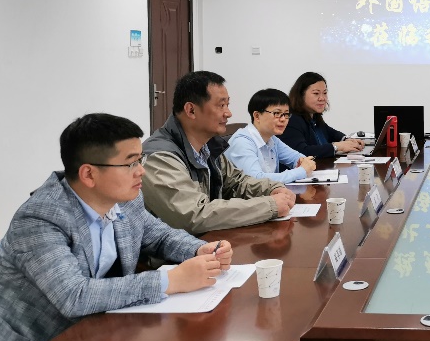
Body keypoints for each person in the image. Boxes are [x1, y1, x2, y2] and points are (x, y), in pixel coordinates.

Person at [0, 114, 232, 341]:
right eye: (130, 163)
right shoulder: (40, 219)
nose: (142, 171)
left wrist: (199, 250)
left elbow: (157, 235)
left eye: (141, 159)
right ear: (88, 174)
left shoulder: (125, 199)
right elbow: (75, 296)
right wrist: (170, 280)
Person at [142, 71, 296, 234]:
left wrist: (272, 189)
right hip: (173, 249)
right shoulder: (159, 157)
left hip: (207, 242)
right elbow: (194, 215)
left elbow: (237, 183)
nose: (228, 113)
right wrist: (270, 205)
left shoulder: (207, 146)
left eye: (227, 105)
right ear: (191, 110)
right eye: (221, 105)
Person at [225, 88, 318, 185]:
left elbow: (298, 158)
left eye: (286, 114)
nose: (283, 119)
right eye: (277, 113)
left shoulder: (271, 139)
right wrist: (301, 171)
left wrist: (302, 163)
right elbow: (256, 181)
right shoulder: (242, 142)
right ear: (257, 116)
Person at [281, 72, 364, 159]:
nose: (322, 98)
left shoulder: (314, 116)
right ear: (301, 95)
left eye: (324, 93)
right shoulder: (291, 120)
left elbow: (331, 133)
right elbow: (302, 152)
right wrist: (336, 147)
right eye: (316, 93)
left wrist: (346, 140)